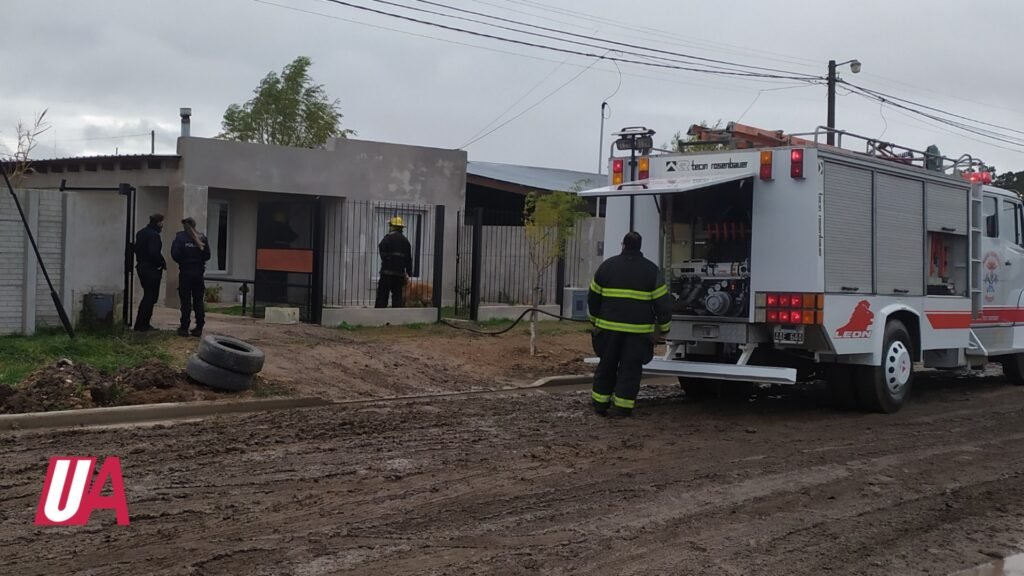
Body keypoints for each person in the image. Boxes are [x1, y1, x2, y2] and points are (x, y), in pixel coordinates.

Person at [588, 231, 672, 417]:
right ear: (639, 247)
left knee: (606, 366)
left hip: (608, 329)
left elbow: (593, 297)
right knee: (630, 369)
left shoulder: (607, 267)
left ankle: (600, 404)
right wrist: (664, 329)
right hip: (637, 333)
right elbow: (662, 304)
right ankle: (622, 407)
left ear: (623, 245)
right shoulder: (651, 270)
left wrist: (595, 321)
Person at [171, 217, 211, 337]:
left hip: (185, 273)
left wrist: (184, 262)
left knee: (186, 302)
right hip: (198, 273)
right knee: (198, 301)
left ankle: (184, 328)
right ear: (195, 224)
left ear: (184, 226)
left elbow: (175, 254)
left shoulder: (179, 238)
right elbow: (207, 255)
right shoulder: (202, 237)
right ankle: (199, 327)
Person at [133, 213, 166, 332]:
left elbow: (136, 249)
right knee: (150, 297)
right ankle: (142, 324)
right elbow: (154, 253)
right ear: (158, 223)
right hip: (151, 269)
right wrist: (160, 264)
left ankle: (141, 323)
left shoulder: (141, 233)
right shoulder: (154, 235)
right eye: (162, 222)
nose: (163, 225)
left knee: (148, 295)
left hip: (141, 267)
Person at [375, 215, 413, 308]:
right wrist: (409, 271)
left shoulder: (387, 238)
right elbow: (408, 258)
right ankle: (397, 316)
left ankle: (378, 315)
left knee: (382, 296)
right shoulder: (405, 241)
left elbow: (382, 249)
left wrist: (387, 260)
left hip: (386, 273)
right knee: (397, 296)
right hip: (399, 274)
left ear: (392, 226)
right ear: (401, 228)